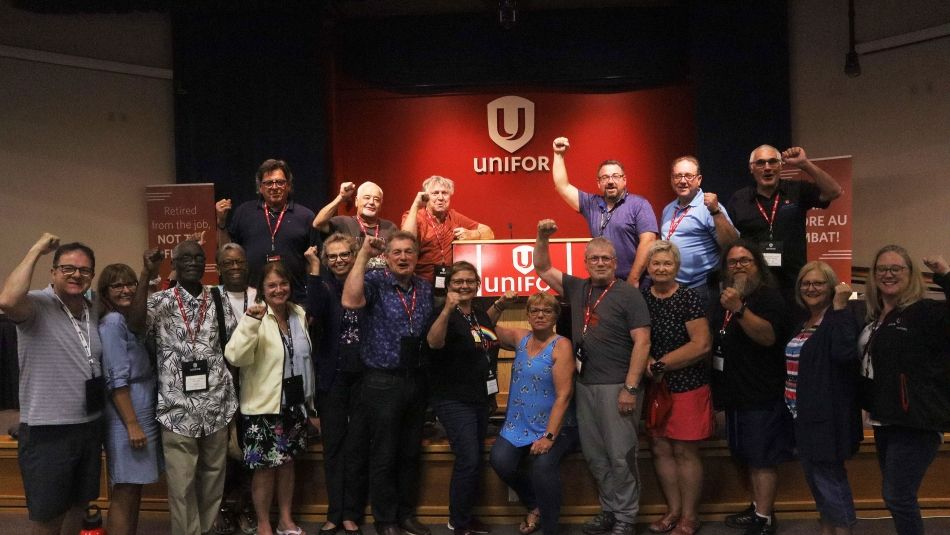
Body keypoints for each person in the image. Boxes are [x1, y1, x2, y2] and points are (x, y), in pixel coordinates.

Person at [533, 219, 651, 535]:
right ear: (585, 263)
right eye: (594, 258)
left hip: (618, 388)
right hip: (585, 387)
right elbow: (543, 268)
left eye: (606, 259)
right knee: (597, 457)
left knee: (620, 456)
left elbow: (642, 342)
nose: (600, 263)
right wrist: (542, 237)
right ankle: (610, 511)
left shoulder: (629, 294)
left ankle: (626, 517)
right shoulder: (578, 287)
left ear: (615, 263)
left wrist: (630, 386)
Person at [130, 239, 238, 535]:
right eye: (185, 258)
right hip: (176, 408)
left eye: (199, 258)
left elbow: (231, 346)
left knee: (214, 477)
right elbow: (136, 325)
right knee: (181, 483)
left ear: (206, 264)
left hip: (217, 403)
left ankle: (205, 530)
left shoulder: (219, 298)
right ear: (173, 265)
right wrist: (145, 273)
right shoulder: (159, 301)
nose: (193, 262)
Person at [0, 234, 104, 535]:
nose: (76, 275)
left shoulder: (90, 307)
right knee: (48, 518)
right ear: (53, 272)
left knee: (79, 508)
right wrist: (35, 250)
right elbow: (6, 300)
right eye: (67, 268)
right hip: (48, 431)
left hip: (88, 425)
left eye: (84, 270)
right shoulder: (36, 305)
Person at [342, 231, 435, 535]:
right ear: (387, 257)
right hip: (381, 381)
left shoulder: (424, 287)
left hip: (416, 379)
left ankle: (406, 514)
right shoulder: (376, 282)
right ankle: (386, 520)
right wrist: (363, 257)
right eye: (397, 252)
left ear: (417, 256)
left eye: (409, 252)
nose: (404, 257)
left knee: (410, 452)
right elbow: (350, 300)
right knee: (384, 453)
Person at [860, 248, 950, 535]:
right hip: (886, 420)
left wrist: (945, 275)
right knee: (896, 496)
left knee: (898, 496)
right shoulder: (875, 318)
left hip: (916, 422)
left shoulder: (923, 311)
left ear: (910, 275)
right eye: (882, 269)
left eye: (896, 268)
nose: (888, 274)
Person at [225, 261, 317, 535]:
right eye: (272, 285)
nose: (279, 290)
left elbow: (303, 359)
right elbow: (235, 357)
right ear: (262, 290)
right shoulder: (254, 316)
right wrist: (251, 323)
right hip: (263, 407)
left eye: (283, 283)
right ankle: (264, 523)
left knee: (287, 464)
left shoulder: (297, 313)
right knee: (265, 469)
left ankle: (285, 520)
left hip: (294, 405)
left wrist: (310, 405)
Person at [710, 239, 791, 535]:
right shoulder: (722, 298)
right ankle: (757, 506)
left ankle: (765, 517)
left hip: (762, 392)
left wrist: (740, 309)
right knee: (744, 455)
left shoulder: (769, 297)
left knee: (762, 458)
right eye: (733, 262)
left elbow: (768, 337)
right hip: (733, 393)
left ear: (758, 265)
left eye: (746, 261)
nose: (739, 266)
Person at [488, 292, 580, 535]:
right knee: (500, 461)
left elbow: (564, 395)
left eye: (547, 311)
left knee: (542, 467)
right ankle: (534, 505)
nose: (540, 315)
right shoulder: (519, 337)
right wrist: (501, 304)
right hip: (518, 424)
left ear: (555, 316)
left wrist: (548, 437)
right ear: (527, 315)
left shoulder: (561, 345)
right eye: (535, 311)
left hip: (556, 427)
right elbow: (483, 324)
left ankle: (550, 528)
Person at [425, 262, 503, 535]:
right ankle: (458, 522)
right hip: (452, 399)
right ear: (449, 286)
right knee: (468, 458)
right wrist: (447, 308)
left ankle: (466, 516)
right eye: (458, 281)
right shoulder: (440, 312)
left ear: (478, 284)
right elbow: (434, 342)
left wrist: (501, 304)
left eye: (470, 281)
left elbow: (486, 341)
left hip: (480, 398)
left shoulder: (480, 314)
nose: (464, 285)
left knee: (474, 458)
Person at [640, 241, 712, 535]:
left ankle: (690, 516)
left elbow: (702, 344)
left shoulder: (689, 298)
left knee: (685, 452)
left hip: (687, 385)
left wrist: (661, 365)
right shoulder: (641, 299)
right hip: (655, 388)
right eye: (655, 263)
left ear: (677, 267)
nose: (661, 268)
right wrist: (648, 362)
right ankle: (673, 511)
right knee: (660, 449)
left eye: (667, 263)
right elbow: (635, 340)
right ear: (647, 267)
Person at [785, 261, 862, 535]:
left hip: (827, 416)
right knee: (816, 481)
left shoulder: (840, 317)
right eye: (806, 283)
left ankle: (843, 530)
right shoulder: (803, 321)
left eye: (818, 283)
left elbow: (844, 354)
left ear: (831, 288)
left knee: (830, 481)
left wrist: (841, 307)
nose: (811, 288)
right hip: (801, 414)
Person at [305, 236, 368, 535]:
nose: (340, 260)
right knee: (333, 448)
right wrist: (315, 268)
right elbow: (313, 310)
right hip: (332, 377)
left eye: (345, 254)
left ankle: (351, 513)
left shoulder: (367, 283)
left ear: (354, 255)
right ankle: (334, 512)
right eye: (333, 256)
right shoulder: (323, 286)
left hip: (363, 377)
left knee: (356, 447)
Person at [726, 145, 842, 302]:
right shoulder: (739, 199)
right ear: (751, 168)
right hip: (755, 284)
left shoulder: (797, 190)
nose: (767, 167)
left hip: (793, 282)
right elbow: (730, 241)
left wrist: (804, 164)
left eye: (772, 161)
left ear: (781, 166)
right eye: (760, 163)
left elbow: (834, 191)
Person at [97, 261, 163, 535]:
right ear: (105, 292)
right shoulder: (112, 322)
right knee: (124, 488)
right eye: (117, 285)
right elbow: (116, 378)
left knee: (134, 486)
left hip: (141, 404)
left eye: (130, 284)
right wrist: (132, 424)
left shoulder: (130, 321)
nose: (125, 290)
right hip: (127, 411)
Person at [551, 137, 658, 286]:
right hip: (603, 283)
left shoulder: (639, 204)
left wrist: (633, 279)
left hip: (636, 283)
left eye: (615, 176)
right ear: (599, 183)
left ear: (624, 180)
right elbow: (562, 186)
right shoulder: (591, 204)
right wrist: (558, 155)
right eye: (605, 177)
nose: (610, 181)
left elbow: (649, 242)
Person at [216, 158, 316, 300]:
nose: (274, 187)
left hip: (295, 299)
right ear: (260, 188)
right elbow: (227, 251)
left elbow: (313, 263)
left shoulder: (305, 216)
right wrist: (221, 222)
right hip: (252, 299)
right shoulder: (244, 212)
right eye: (268, 183)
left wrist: (312, 300)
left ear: (288, 186)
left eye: (280, 182)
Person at [214, 243, 258, 535]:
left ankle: (244, 507)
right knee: (221, 456)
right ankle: (223, 510)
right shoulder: (209, 297)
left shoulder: (259, 295)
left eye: (239, 262)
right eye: (227, 263)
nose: (234, 267)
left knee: (248, 453)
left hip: (253, 386)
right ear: (218, 268)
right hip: (217, 388)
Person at [660, 156, 738, 305]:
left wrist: (715, 212)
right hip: (673, 286)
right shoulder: (668, 209)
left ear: (699, 179)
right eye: (678, 176)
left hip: (702, 288)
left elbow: (732, 244)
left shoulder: (710, 207)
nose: (683, 181)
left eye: (689, 176)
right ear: (671, 179)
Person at [401, 175, 494, 287]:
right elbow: (406, 240)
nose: (440, 198)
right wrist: (415, 205)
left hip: (450, 285)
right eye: (435, 193)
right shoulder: (415, 216)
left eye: (444, 193)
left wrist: (472, 234)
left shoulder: (453, 216)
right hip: (420, 284)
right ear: (426, 197)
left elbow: (489, 233)